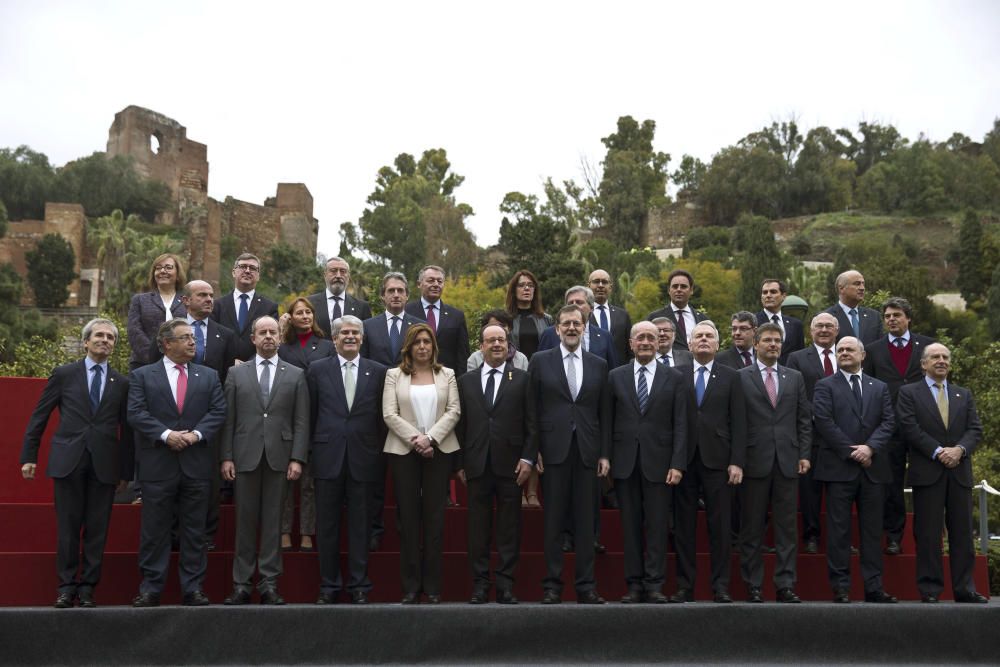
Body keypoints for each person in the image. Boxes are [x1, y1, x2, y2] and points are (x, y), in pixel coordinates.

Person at [20, 318, 132, 608]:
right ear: (85, 342)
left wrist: (126, 471)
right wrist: (29, 456)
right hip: (68, 460)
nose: (104, 340)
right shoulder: (64, 374)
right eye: (99, 335)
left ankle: (87, 590)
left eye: (110, 337)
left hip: (105, 465)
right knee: (68, 529)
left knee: (98, 530)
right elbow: (39, 416)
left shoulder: (121, 383)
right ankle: (66, 587)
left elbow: (128, 431)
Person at [128, 319, 226, 607]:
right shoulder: (143, 376)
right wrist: (167, 435)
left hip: (196, 464)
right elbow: (135, 413)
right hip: (158, 465)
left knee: (195, 531)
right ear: (167, 343)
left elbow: (218, 411)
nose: (193, 342)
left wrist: (195, 435)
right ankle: (151, 588)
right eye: (185, 338)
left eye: (193, 337)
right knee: (154, 531)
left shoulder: (209, 376)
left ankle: (192, 588)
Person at [220, 316, 309, 605]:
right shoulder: (236, 374)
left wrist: (297, 457)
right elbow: (229, 420)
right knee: (244, 523)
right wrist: (227, 457)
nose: (268, 336)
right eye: (263, 332)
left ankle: (269, 582)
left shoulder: (296, 374)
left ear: (280, 338)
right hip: (244, 457)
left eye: (273, 332)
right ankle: (241, 584)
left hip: (280, 458)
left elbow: (301, 421)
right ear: (253, 339)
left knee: (273, 523)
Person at [529, 305, 611, 604]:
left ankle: (586, 586)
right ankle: (552, 585)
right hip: (552, 450)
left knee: (586, 522)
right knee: (553, 523)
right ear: (557, 329)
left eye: (577, 323)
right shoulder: (540, 361)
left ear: (584, 327)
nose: (572, 328)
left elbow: (605, 413)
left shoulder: (598, 364)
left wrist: (605, 453)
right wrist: (533, 449)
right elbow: (532, 410)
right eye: (566, 324)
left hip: (588, 452)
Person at [897, 343, 987, 603]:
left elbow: (975, 429)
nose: (941, 361)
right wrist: (938, 451)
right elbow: (908, 427)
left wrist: (959, 450)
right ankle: (930, 589)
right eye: (935, 357)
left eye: (945, 357)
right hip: (928, 472)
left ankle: (965, 588)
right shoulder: (908, 393)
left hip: (959, 472)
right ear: (923, 364)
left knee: (962, 533)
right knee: (928, 533)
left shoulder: (963, 394)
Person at [309, 316, 388, 605]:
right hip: (328, 456)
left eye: (356, 332)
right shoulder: (317, 370)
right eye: (345, 333)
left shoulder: (378, 372)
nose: (350, 337)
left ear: (363, 338)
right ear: (334, 338)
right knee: (327, 527)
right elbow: (312, 413)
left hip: (364, 457)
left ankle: (359, 586)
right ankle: (328, 586)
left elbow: (382, 418)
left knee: (360, 527)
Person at [812, 336, 898, 603]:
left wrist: (870, 448)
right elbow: (824, 422)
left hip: (873, 469)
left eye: (850, 349)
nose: (844, 353)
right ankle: (840, 587)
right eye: (840, 350)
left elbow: (888, 421)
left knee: (872, 531)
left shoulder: (879, 387)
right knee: (839, 531)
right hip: (839, 469)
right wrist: (854, 452)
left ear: (863, 355)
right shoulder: (825, 385)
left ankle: (874, 587)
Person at [456, 323, 536, 604]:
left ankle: (505, 584)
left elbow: (532, 424)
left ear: (508, 346)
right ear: (482, 346)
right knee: (477, 530)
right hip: (476, 465)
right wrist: (460, 463)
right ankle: (480, 584)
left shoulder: (523, 379)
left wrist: (528, 458)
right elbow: (461, 425)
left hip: (511, 466)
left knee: (508, 528)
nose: (497, 345)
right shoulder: (466, 381)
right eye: (491, 341)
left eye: (501, 340)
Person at [607, 321, 686, 604]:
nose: (646, 342)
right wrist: (606, 457)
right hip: (625, 463)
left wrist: (678, 463)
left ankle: (654, 584)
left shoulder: (674, 377)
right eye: (640, 337)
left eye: (651, 338)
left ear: (659, 342)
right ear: (630, 343)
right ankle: (634, 585)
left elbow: (681, 424)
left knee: (656, 527)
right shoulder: (615, 376)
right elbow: (608, 421)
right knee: (630, 528)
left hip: (661, 464)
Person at [382, 323, 460, 603]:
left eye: (427, 341)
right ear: (409, 347)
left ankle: (433, 586)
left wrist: (431, 439)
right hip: (404, 453)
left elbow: (454, 411)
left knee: (435, 520)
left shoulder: (447, 374)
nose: (423, 346)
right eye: (417, 342)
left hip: (439, 452)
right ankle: (411, 586)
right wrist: (418, 440)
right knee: (409, 521)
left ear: (434, 346)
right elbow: (390, 414)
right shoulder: (394, 375)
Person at [737, 322, 812, 603]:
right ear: (755, 344)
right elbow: (737, 422)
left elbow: (804, 419)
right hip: (753, 461)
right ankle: (753, 585)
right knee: (752, 528)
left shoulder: (795, 377)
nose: (773, 345)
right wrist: (738, 460)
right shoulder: (741, 377)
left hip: (788, 462)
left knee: (786, 529)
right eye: (767, 340)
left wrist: (804, 454)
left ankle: (785, 584)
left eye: (777, 341)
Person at [673, 320, 746, 604]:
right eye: (698, 336)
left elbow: (739, 422)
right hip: (684, 461)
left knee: (720, 528)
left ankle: (721, 586)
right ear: (689, 344)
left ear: (718, 344)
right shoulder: (675, 375)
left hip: (719, 461)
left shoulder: (732, 376)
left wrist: (737, 461)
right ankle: (684, 586)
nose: (703, 340)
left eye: (709, 336)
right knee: (683, 528)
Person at [862, 297, 935, 556]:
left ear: (908, 318)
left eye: (897, 315)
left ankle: (926, 538)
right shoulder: (872, 350)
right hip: (888, 427)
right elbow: (867, 389)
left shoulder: (927, 346)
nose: (891, 319)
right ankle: (893, 536)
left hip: (922, 426)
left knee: (926, 483)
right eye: (888, 316)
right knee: (890, 484)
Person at [362, 271, 424, 551]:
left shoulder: (418, 327)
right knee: (374, 475)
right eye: (391, 291)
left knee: (408, 478)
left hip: (410, 410)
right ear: (382, 296)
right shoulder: (367, 326)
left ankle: (408, 529)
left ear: (408, 296)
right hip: (373, 410)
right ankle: (374, 529)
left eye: (401, 290)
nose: (396, 295)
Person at [181, 279, 238, 550]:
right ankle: (174, 534)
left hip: (212, 416)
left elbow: (229, 376)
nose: (208, 299)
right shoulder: (170, 330)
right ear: (186, 300)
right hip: (176, 413)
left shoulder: (224, 334)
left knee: (209, 478)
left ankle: (207, 533)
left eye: (211, 295)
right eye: (202, 295)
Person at [277, 297, 335, 552]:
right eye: (299, 312)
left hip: (317, 419)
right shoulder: (282, 347)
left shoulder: (326, 346)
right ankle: (284, 530)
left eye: (308, 312)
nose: (305, 316)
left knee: (309, 483)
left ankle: (308, 532)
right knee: (286, 482)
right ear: (291, 317)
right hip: (286, 419)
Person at [786, 312, 840, 554]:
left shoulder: (849, 353)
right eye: (819, 326)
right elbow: (794, 394)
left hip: (844, 437)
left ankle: (840, 539)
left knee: (840, 494)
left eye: (829, 326)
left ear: (837, 331)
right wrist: (819, 417)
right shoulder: (797, 358)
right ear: (811, 331)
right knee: (809, 491)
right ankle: (811, 536)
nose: (824, 330)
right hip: (810, 434)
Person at [211, 253, 280, 362]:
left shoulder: (269, 308)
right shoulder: (217, 305)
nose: (247, 271)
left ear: (258, 276)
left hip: (255, 371)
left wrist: (248, 366)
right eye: (243, 267)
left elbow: (271, 341)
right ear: (234, 272)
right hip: (223, 370)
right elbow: (213, 340)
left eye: (252, 268)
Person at [405, 264, 470, 376]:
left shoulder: (456, 316)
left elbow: (462, 355)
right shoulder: (406, 312)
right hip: (413, 376)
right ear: (419, 284)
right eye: (431, 280)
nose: (436, 284)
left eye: (439, 281)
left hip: (447, 378)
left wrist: (460, 383)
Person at [126, 253, 187, 370]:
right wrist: (153, 356)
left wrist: (177, 356)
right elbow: (134, 331)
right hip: (144, 364)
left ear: (178, 274)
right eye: (158, 268)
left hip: (180, 363)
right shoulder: (140, 300)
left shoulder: (187, 300)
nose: (162, 271)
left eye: (168, 267)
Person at [538, 285, 617, 368]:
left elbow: (612, 371)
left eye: (579, 302)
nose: (574, 306)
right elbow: (541, 366)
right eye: (570, 303)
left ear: (591, 308)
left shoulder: (605, 336)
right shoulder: (549, 334)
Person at [307, 256, 373, 338]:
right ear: (325, 275)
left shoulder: (362, 307)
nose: (338, 275)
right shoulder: (309, 303)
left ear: (348, 276)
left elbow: (366, 338)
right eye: (333, 271)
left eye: (343, 271)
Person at [645, 269, 707, 352]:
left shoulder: (703, 319)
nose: (679, 290)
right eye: (675, 286)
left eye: (683, 286)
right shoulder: (654, 318)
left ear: (691, 290)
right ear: (669, 290)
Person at [504, 269, 553, 360]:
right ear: (514, 291)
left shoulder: (546, 319)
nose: (526, 288)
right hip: (515, 369)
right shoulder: (505, 320)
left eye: (530, 285)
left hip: (540, 370)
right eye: (521, 285)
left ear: (535, 290)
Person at [588, 269, 633, 367]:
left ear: (610, 287)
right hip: (591, 372)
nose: (600, 285)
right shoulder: (582, 315)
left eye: (604, 282)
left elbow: (630, 349)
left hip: (619, 374)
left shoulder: (623, 315)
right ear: (588, 286)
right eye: (596, 282)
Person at [824, 270, 882, 344]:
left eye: (863, 284)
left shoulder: (874, 316)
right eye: (857, 284)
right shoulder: (827, 317)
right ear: (841, 288)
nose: (862, 288)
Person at [756, 279, 804, 364]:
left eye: (773, 292)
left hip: (789, 374)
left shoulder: (796, 324)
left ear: (783, 296)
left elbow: (800, 355)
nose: (768, 295)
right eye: (765, 292)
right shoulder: (752, 322)